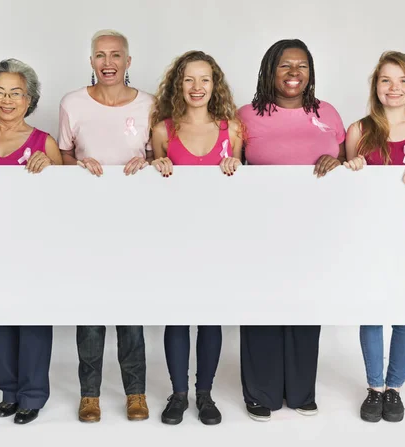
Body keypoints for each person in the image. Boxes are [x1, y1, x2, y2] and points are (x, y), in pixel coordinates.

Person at [237, 39, 347, 421]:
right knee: (262, 304)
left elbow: (352, 165)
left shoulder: (328, 113)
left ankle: (301, 390)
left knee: (305, 302)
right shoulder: (245, 115)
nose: (294, 73)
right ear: (270, 70)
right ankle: (261, 392)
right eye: (285, 65)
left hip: (314, 228)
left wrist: (338, 166)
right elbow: (227, 168)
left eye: (302, 66)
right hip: (260, 227)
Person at [344, 51, 405, 423]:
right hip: (368, 231)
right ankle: (374, 388)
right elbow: (344, 184)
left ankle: (395, 388)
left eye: (402, 80)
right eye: (386, 80)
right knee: (371, 306)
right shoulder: (358, 130)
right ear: (376, 86)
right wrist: (350, 167)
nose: (394, 88)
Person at [57, 29, 152, 423]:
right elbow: (63, 154)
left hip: (134, 224)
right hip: (86, 224)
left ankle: (136, 393)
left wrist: (146, 165)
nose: (107, 62)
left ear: (128, 62)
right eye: (100, 55)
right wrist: (77, 168)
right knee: (91, 311)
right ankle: (90, 394)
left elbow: (158, 156)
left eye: (116, 55)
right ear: (91, 61)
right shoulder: (72, 104)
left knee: (130, 311)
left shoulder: (150, 104)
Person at [0, 58, 62, 425]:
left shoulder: (44, 142)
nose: (7, 99)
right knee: (0, 318)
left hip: (35, 247)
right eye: (0, 92)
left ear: (29, 99)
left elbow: (66, 200)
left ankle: (32, 395)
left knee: (34, 319)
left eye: (15, 93)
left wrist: (52, 167)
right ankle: (8, 391)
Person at [149, 50, 243, 425]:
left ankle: (205, 394)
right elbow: (151, 188)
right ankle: (178, 393)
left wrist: (238, 165)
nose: (197, 87)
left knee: (210, 318)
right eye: (189, 79)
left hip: (219, 237)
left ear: (214, 84)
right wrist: (156, 164)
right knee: (177, 316)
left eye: (204, 79)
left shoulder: (232, 130)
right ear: (178, 84)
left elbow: (244, 187)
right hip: (174, 237)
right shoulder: (162, 130)